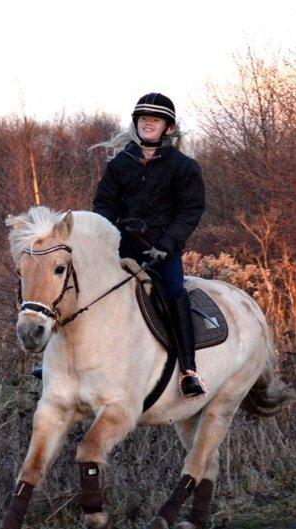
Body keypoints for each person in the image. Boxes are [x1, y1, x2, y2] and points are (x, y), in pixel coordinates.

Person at [92, 92, 207, 398]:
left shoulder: (184, 167)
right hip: (122, 247)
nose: (148, 123)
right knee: (85, 288)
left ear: (167, 128)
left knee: (173, 291)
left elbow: (190, 212)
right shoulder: (120, 164)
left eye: (154, 120)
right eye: (143, 119)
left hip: (162, 249)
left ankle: (188, 370)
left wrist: (166, 244)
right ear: (136, 123)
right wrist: (105, 236)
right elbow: (104, 205)